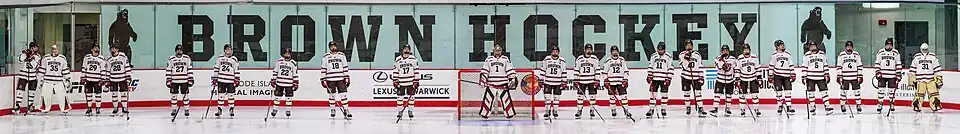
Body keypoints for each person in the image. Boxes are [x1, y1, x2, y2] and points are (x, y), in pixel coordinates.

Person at [479, 44, 518, 119]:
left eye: (499, 51)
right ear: (493, 51)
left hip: (502, 83)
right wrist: (483, 81)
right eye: (496, 51)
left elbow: (510, 70)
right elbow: (485, 71)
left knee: (506, 99)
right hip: (491, 83)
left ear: (501, 51)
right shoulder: (489, 59)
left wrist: (512, 78)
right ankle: (485, 114)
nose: (497, 52)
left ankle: (509, 113)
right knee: (488, 99)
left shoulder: (505, 59)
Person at [321, 41, 352, 118]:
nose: (333, 47)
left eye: (334, 46)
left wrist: (347, 77)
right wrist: (323, 79)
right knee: (332, 95)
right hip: (330, 79)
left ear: (336, 47)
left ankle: (346, 109)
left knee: (343, 95)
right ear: (329, 47)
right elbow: (323, 68)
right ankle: (332, 109)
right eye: (331, 46)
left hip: (340, 79)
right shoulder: (326, 56)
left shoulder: (341, 55)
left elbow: (345, 67)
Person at [37, 45, 71, 114]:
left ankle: (64, 108)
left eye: (56, 49)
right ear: (51, 50)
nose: (54, 51)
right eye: (53, 49)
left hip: (58, 80)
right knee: (46, 96)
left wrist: (68, 78)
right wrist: (40, 79)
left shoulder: (62, 58)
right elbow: (42, 69)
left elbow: (64, 70)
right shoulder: (46, 58)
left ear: (58, 50)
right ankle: (45, 108)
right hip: (47, 80)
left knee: (62, 95)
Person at [909, 43, 942, 112]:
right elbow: (912, 70)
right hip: (920, 79)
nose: (924, 51)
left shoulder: (932, 57)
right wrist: (912, 80)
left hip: (931, 79)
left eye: (925, 49)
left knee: (934, 93)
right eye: (923, 49)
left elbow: (937, 69)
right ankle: (917, 106)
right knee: (919, 94)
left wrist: (939, 78)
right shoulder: (916, 58)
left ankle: (935, 105)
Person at [801, 42, 832, 115]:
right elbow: (804, 66)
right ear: (809, 47)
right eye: (811, 46)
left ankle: (827, 106)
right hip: (810, 77)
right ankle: (812, 106)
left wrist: (827, 74)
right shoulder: (807, 55)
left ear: (816, 46)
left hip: (821, 77)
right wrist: (804, 76)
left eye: (814, 46)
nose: (813, 48)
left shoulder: (822, 54)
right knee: (811, 93)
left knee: (824, 92)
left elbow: (825, 65)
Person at [679, 39, 706, 117]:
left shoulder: (697, 55)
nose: (689, 46)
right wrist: (686, 59)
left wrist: (701, 77)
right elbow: (683, 66)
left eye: (690, 45)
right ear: (685, 46)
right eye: (687, 45)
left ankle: (700, 107)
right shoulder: (681, 54)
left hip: (696, 77)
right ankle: (688, 107)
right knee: (686, 93)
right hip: (685, 76)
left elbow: (700, 66)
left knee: (698, 93)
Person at [769, 40, 796, 115]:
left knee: (788, 91)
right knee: (779, 92)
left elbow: (791, 64)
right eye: (781, 45)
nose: (783, 46)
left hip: (787, 76)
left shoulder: (787, 54)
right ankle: (780, 106)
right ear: (777, 47)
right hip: (778, 76)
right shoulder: (774, 55)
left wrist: (792, 74)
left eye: (783, 44)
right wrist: (770, 75)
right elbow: (771, 65)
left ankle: (789, 106)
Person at [538, 45, 566, 119]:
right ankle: (547, 111)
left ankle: (555, 111)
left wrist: (564, 82)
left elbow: (564, 72)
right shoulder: (546, 59)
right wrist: (541, 80)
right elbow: (543, 70)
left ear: (558, 52)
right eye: (553, 51)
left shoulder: (562, 61)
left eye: (556, 51)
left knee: (556, 98)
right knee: (547, 98)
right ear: (551, 52)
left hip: (558, 82)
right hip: (548, 82)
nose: (555, 52)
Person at [574, 44, 601, 119]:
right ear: (585, 50)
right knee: (580, 97)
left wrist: (597, 80)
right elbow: (576, 70)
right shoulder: (579, 59)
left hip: (591, 81)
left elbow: (597, 70)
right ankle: (579, 110)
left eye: (590, 49)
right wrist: (576, 80)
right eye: (587, 49)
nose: (589, 50)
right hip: (582, 81)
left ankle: (592, 110)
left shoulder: (595, 59)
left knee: (592, 96)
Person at [874, 38, 901, 113]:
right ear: (885, 45)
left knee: (891, 91)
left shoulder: (895, 52)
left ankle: (892, 103)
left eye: (890, 45)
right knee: (881, 90)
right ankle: (880, 103)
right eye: (887, 45)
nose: (889, 46)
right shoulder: (880, 52)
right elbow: (877, 63)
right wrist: (877, 72)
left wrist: (898, 74)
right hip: (882, 75)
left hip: (892, 75)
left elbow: (898, 63)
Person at [603, 45, 631, 118]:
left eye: (616, 51)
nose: (614, 52)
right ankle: (613, 109)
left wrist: (625, 80)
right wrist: (606, 80)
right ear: (611, 52)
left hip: (620, 81)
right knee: (612, 97)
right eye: (613, 51)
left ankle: (626, 110)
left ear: (618, 52)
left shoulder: (622, 60)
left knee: (624, 96)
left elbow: (626, 71)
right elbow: (604, 72)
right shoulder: (608, 60)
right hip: (611, 82)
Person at [836, 41, 863, 113]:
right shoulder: (841, 55)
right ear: (845, 47)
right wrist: (839, 76)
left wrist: (860, 75)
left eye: (850, 46)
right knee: (843, 92)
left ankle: (858, 105)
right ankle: (842, 105)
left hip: (854, 77)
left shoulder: (856, 54)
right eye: (848, 46)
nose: (849, 48)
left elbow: (859, 65)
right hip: (845, 77)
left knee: (857, 91)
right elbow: (839, 66)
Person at [166, 44, 194, 117]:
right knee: (174, 96)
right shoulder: (171, 59)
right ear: (175, 51)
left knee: (185, 96)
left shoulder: (187, 58)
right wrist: (168, 80)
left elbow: (189, 69)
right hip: (174, 81)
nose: (179, 51)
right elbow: (168, 70)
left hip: (184, 81)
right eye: (178, 50)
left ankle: (186, 109)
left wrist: (190, 78)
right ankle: (174, 109)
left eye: (180, 50)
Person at [213, 44, 240, 117]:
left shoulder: (234, 59)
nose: (229, 51)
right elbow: (216, 68)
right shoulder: (220, 58)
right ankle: (219, 109)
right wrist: (215, 78)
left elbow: (236, 70)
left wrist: (237, 79)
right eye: (227, 49)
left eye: (230, 49)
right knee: (221, 95)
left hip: (230, 81)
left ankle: (231, 109)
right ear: (224, 50)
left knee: (231, 95)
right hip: (221, 80)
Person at [393, 45, 420, 119]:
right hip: (401, 82)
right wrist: (395, 80)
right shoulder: (398, 59)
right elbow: (396, 70)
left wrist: (416, 80)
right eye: (405, 49)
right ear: (402, 50)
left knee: (411, 98)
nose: (406, 50)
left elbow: (416, 70)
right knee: (399, 98)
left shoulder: (413, 59)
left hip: (410, 82)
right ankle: (399, 112)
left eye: (408, 49)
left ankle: (410, 111)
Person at [647, 42, 673, 118]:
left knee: (664, 94)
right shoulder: (654, 56)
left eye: (661, 50)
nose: (660, 51)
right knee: (652, 95)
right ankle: (651, 109)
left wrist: (669, 78)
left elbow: (670, 68)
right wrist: (649, 75)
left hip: (664, 78)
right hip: (655, 78)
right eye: (659, 49)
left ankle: (663, 109)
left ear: (664, 49)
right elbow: (650, 66)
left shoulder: (668, 56)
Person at [271, 48, 299, 117]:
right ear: (283, 54)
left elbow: (295, 74)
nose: (287, 54)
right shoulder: (279, 61)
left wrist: (296, 83)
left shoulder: (293, 63)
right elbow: (275, 71)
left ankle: (288, 110)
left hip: (289, 84)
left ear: (290, 54)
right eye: (286, 53)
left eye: (288, 53)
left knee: (288, 98)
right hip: (279, 83)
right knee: (277, 97)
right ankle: (275, 110)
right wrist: (273, 80)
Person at [14, 42, 41, 114]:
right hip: (23, 75)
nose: (37, 48)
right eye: (36, 47)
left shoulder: (37, 56)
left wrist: (31, 58)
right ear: (32, 47)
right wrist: (25, 54)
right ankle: (17, 106)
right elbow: (20, 59)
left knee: (32, 92)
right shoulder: (25, 53)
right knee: (20, 91)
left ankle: (30, 106)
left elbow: (36, 66)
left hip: (33, 76)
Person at [82, 44, 108, 116]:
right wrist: (83, 77)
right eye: (95, 48)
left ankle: (98, 108)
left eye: (98, 48)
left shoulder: (101, 58)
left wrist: (103, 79)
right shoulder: (87, 57)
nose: (97, 49)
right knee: (89, 94)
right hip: (88, 79)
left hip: (97, 80)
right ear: (92, 49)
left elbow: (103, 69)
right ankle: (89, 108)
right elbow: (84, 67)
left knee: (98, 94)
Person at [736, 43, 761, 116]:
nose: (746, 51)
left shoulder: (754, 57)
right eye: (744, 49)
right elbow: (737, 69)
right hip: (743, 79)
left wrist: (759, 77)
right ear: (742, 51)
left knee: (755, 95)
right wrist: (737, 78)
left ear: (750, 50)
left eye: (747, 49)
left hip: (753, 78)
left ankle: (756, 109)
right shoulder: (740, 58)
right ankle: (742, 110)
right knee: (742, 96)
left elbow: (757, 67)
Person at [107, 45, 133, 115]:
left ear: (117, 49)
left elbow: (127, 67)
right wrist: (107, 80)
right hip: (113, 79)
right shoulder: (109, 59)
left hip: (122, 78)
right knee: (114, 94)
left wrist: (128, 76)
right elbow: (108, 70)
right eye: (111, 49)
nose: (112, 50)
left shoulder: (123, 57)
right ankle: (115, 108)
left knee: (123, 94)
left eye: (114, 49)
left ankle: (124, 107)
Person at [712, 45, 737, 117]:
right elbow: (719, 67)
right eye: (723, 51)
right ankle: (715, 109)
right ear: (721, 52)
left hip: (729, 80)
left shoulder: (733, 59)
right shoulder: (717, 58)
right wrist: (721, 60)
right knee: (717, 94)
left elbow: (735, 69)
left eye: (726, 50)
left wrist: (736, 78)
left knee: (729, 95)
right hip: (720, 79)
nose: (725, 52)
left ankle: (728, 108)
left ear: (729, 51)